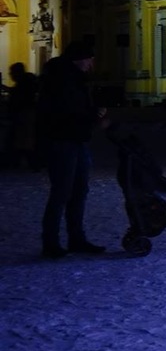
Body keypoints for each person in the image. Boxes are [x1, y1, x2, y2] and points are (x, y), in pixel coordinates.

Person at [36, 39, 110, 258]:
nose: (92, 63)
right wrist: (92, 116)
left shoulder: (72, 78)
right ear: (79, 59)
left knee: (78, 190)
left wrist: (92, 114)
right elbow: (65, 112)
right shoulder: (63, 80)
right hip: (62, 141)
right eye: (90, 58)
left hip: (75, 139)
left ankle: (75, 238)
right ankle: (52, 242)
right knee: (62, 192)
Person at [6, 61, 40, 169]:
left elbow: (17, 95)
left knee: (24, 138)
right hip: (27, 112)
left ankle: (29, 162)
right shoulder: (27, 82)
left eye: (12, 72)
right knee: (25, 138)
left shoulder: (23, 84)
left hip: (25, 113)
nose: (10, 75)